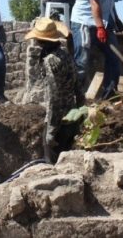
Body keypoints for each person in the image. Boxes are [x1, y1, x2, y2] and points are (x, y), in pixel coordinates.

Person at [70, 0, 123, 99]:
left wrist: (116, 19)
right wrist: (100, 27)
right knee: (82, 59)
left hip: (103, 20)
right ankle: (75, 97)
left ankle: (109, 96)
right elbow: (95, 1)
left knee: (114, 58)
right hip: (84, 21)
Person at [23, 18, 81, 163]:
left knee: (52, 160)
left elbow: (55, 98)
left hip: (59, 121)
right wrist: (80, 114)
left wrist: (51, 130)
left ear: (41, 41)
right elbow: (78, 87)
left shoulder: (50, 61)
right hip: (72, 117)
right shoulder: (66, 55)